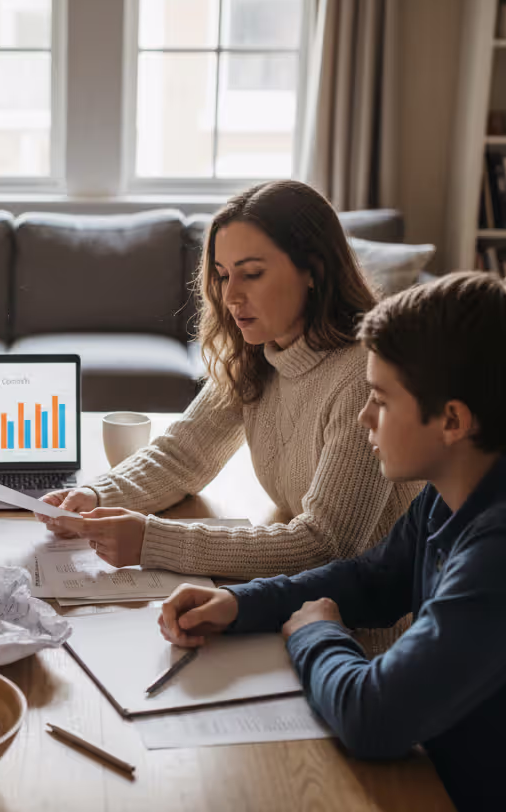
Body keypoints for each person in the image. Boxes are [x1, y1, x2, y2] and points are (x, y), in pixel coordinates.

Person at [158, 273, 506, 810]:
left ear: (452, 421)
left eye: (381, 400)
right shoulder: (465, 483)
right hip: (468, 762)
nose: (364, 416)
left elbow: (372, 718)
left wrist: (316, 632)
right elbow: (373, 579)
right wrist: (239, 602)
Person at [40, 180, 421, 649]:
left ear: (314, 270)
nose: (230, 295)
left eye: (251, 274)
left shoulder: (363, 377)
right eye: (222, 275)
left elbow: (326, 545)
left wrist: (151, 541)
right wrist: (97, 494)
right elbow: (183, 454)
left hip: (365, 636)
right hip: (295, 607)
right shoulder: (260, 351)